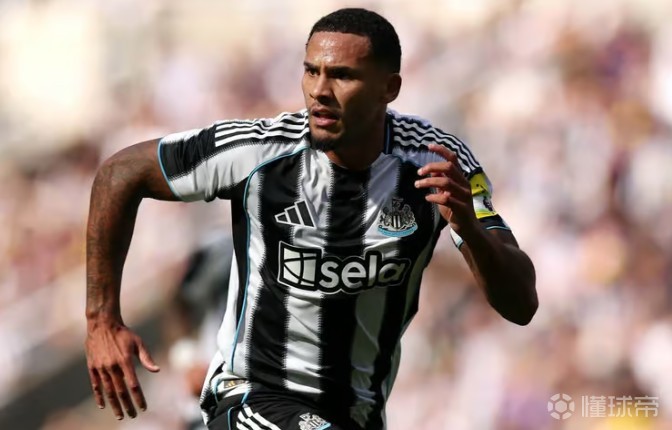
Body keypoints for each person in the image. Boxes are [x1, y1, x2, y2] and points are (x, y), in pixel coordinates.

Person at [84, 8, 538, 430]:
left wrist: (470, 230)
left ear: (389, 88)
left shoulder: (437, 163)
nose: (320, 90)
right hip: (252, 398)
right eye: (311, 71)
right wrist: (101, 320)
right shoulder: (261, 151)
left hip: (358, 415)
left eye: (342, 75)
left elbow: (522, 305)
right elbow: (121, 173)